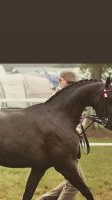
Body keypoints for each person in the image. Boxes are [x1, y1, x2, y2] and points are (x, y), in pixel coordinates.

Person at [38, 70, 86, 200]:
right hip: (58, 146)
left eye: (73, 84)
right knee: (75, 183)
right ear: (60, 81)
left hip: (66, 145)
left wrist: (77, 127)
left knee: (76, 181)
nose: (71, 86)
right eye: (68, 83)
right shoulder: (54, 99)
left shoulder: (72, 99)